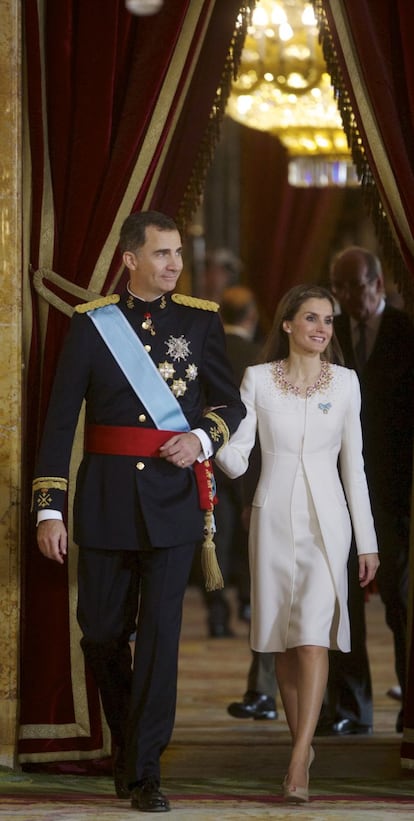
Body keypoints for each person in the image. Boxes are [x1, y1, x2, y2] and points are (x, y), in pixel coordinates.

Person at [32, 210, 246, 814]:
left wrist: (202, 440)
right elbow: (59, 422)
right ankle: (130, 742)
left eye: (177, 252)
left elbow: (230, 405)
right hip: (103, 502)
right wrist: (50, 510)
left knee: (160, 639)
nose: (174, 263)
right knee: (100, 633)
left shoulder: (201, 322)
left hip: (175, 506)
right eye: (162, 253)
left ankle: (146, 770)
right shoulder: (92, 324)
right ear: (130, 259)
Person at [215, 284, 379, 803]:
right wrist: (203, 439)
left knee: (312, 638)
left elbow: (354, 468)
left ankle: (297, 758)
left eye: (328, 321)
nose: (321, 329)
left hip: (329, 526)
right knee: (283, 643)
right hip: (272, 522)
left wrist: (368, 543)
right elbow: (238, 454)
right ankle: (300, 743)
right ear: (286, 323)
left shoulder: (348, 383)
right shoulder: (258, 380)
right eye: (311, 318)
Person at [316, 246, 414, 737]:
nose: (348, 296)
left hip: (394, 496)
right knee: (341, 601)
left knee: (400, 602)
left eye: (355, 285)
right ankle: (351, 707)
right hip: (338, 492)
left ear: (378, 283)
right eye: (339, 287)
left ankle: (409, 704)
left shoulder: (404, 333)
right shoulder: (326, 337)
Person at [202, 285, 261, 637]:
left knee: (215, 537)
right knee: (250, 533)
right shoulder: (262, 356)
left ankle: (218, 614)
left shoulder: (210, 351)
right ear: (252, 316)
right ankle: (251, 603)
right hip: (254, 461)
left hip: (212, 455)